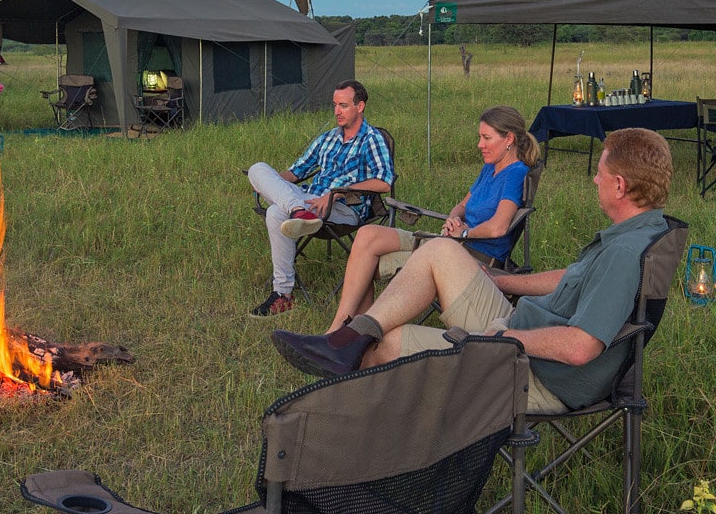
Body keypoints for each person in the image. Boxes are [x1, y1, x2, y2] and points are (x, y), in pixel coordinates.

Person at [272, 127, 673, 414]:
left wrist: (504, 337)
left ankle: (347, 415)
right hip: (523, 336)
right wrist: (501, 280)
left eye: (600, 173)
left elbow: (580, 348)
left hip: (534, 371)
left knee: (388, 346)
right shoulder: (641, 232)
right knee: (442, 250)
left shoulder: (624, 253)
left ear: (619, 186)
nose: (594, 179)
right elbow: (573, 277)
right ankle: (348, 338)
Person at [323, 105, 539, 333]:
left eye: (486, 138)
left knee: (369, 263)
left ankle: (349, 331)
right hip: (451, 242)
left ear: (509, 139)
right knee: (367, 234)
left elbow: (498, 227)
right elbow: (462, 206)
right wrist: (454, 219)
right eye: (480, 137)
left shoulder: (515, 173)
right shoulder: (490, 168)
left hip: (470, 257)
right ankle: (346, 326)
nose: (479, 145)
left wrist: (465, 233)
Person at [247, 79, 394, 317]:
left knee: (275, 212)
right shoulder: (328, 138)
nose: (337, 111)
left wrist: (337, 193)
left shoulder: (372, 139)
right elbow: (295, 172)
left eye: (343, 105)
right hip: (308, 201)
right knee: (258, 169)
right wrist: (268, 182)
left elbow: (384, 182)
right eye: (335, 105)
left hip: (344, 208)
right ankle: (298, 212)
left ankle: (283, 293)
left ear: (360, 106)